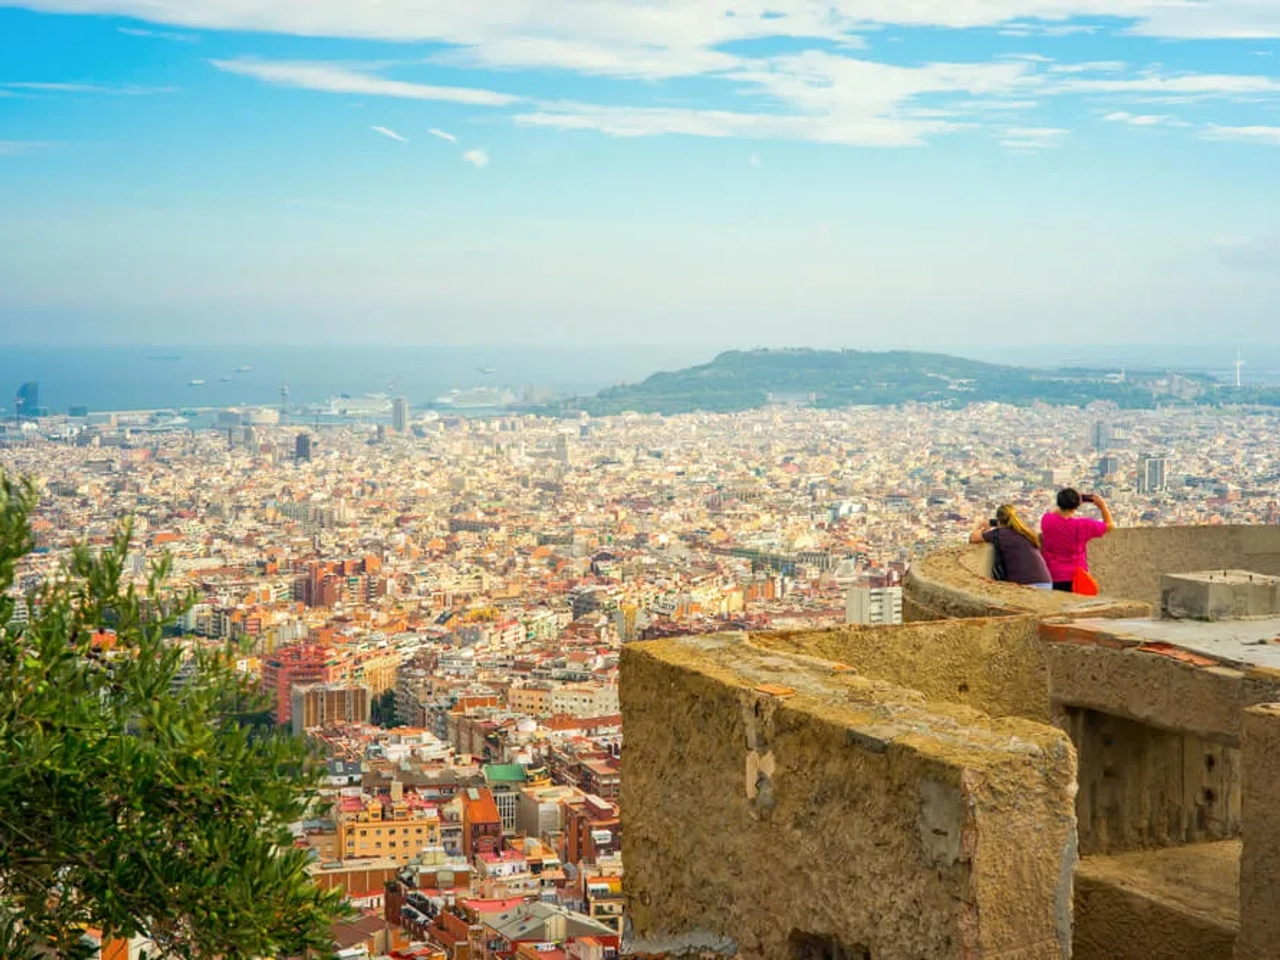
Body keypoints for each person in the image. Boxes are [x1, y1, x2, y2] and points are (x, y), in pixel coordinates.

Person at [1041, 488, 1113, 592]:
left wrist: (1068, 502)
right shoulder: (1083, 525)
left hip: (1053, 575)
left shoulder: (1047, 520)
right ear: (1076, 505)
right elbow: (1109, 525)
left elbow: (1055, 513)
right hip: (1077, 578)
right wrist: (1102, 506)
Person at [969, 504, 1053, 589]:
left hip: (1028, 584)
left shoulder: (1000, 533)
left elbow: (973, 537)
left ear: (999, 520)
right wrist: (992, 522)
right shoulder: (1026, 532)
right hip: (1046, 583)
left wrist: (981, 528)